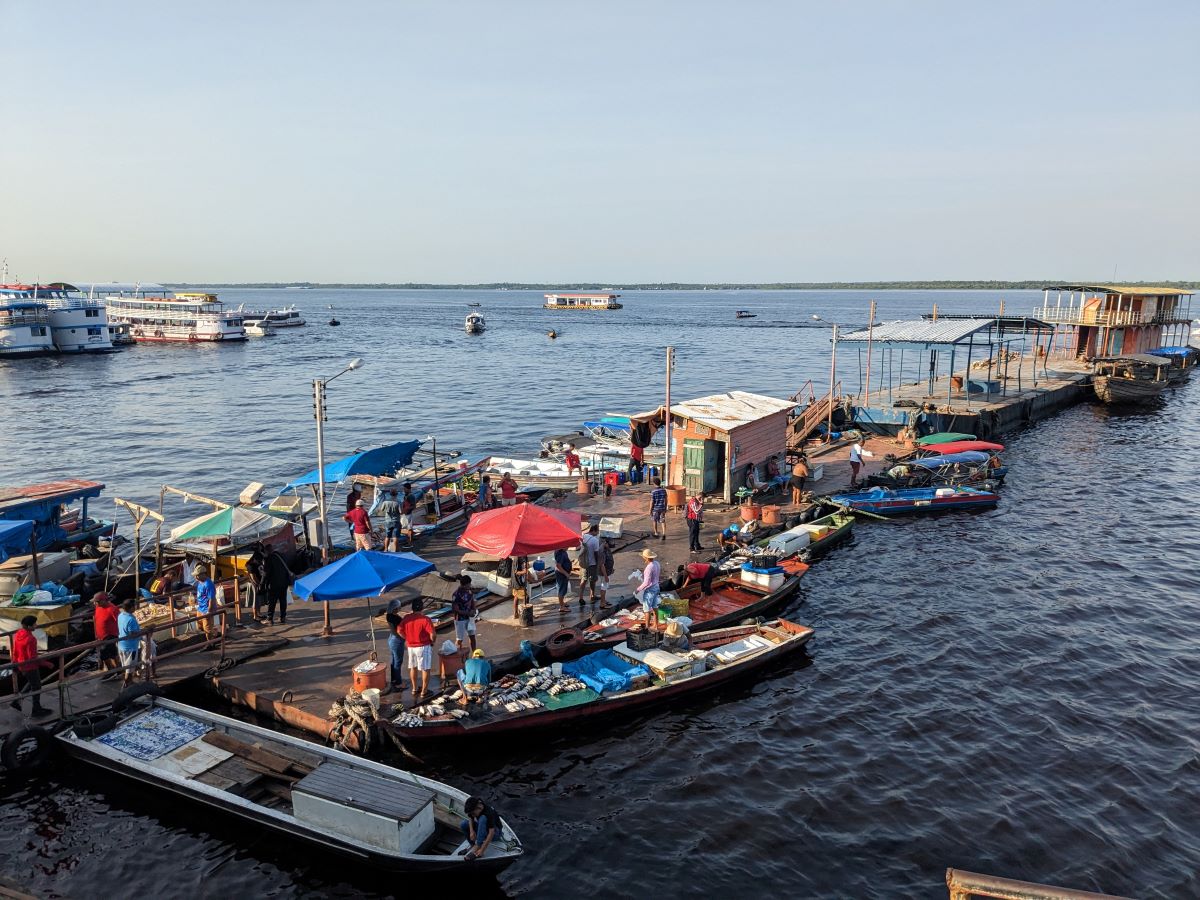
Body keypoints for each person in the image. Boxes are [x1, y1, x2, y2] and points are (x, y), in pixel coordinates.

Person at [9, 615, 51, 717]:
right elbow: (33, 658)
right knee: (37, 687)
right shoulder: (31, 639)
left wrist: (14, 662)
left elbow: (15, 650)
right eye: (34, 624)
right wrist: (47, 664)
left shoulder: (19, 634)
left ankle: (17, 701)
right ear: (29, 626)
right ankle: (36, 710)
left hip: (21, 664)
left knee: (32, 683)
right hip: (30, 667)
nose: (36, 625)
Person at [401, 598, 436, 702]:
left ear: (412, 608)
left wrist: (406, 638)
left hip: (411, 647)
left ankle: (414, 688)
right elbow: (432, 634)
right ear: (422, 608)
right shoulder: (425, 619)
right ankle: (424, 691)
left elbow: (399, 630)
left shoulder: (407, 618)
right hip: (423, 646)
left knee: (413, 667)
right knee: (425, 669)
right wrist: (432, 641)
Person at [459, 796, 502, 861]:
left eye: (473, 813)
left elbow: (491, 832)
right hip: (484, 828)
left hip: (496, 833)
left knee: (482, 818)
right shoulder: (475, 804)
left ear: (478, 808)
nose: (473, 815)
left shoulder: (488, 812)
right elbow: (471, 817)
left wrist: (482, 850)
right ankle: (472, 845)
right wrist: (471, 831)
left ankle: (478, 845)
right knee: (463, 824)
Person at [261, 546, 293, 626]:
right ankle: (283, 617)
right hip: (284, 582)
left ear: (266, 551)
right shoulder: (281, 556)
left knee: (272, 602)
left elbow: (265, 573)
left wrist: (262, 583)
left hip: (274, 584)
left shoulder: (269, 559)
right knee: (283, 600)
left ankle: (269, 619)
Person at [117, 599, 144, 687]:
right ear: (131, 607)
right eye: (134, 606)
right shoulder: (131, 620)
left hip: (121, 644)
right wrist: (145, 631)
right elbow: (132, 634)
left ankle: (129, 679)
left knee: (126, 665)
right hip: (130, 647)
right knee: (129, 666)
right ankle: (128, 683)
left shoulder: (121, 615)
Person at [92, 591, 121, 676]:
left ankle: (111, 672)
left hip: (110, 635)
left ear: (104, 600)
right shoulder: (98, 607)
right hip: (101, 636)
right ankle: (117, 670)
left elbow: (119, 621)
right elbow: (97, 620)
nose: (95, 603)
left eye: (97, 601)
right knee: (113, 653)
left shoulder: (113, 609)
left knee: (104, 654)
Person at [384, 598, 406, 694]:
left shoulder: (389, 616)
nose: (399, 609)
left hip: (391, 639)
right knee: (398, 661)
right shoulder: (396, 618)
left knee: (393, 660)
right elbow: (400, 631)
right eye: (398, 608)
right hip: (397, 640)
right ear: (394, 609)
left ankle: (393, 679)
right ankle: (398, 683)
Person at [452, 575, 478, 653]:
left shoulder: (469, 591)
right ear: (464, 584)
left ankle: (474, 653)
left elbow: (472, 601)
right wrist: (468, 613)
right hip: (460, 620)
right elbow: (456, 609)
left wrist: (474, 609)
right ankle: (456, 655)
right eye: (469, 584)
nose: (470, 585)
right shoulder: (456, 595)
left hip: (469, 618)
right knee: (459, 639)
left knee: (472, 636)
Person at [637, 549, 662, 630]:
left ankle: (647, 628)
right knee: (655, 607)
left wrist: (638, 589)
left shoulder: (649, 567)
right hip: (656, 587)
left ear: (646, 558)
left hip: (650, 590)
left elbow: (646, 582)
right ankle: (656, 625)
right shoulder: (657, 563)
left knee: (646, 609)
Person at [578, 524, 602, 607]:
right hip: (592, 563)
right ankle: (592, 596)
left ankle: (580, 597)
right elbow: (596, 553)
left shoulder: (583, 536)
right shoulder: (595, 540)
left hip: (584, 563)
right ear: (594, 531)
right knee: (593, 580)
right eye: (597, 531)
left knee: (583, 580)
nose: (598, 533)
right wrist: (598, 563)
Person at [194, 565, 216, 645]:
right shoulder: (200, 582)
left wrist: (209, 611)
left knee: (207, 628)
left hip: (206, 609)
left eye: (197, 575)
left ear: (203, 574)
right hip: (200, 608)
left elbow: (211, 599)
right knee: (200, 625)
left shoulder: (208, 584)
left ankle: (211, 643)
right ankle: (213, 634)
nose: (196, 577)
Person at [553, 544, 573, 615]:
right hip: (561, 574)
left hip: (563, 573)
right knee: (561, 589)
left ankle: (562, 603)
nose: (568, 547)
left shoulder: (562, 551)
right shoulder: (560, 553)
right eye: (567, 546)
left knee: (563, 589)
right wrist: (566, 573)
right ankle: (562, 607)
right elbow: (558, 566)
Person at [597, 538, 615, 610]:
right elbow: (602, 565)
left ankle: (603, 600)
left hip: (608, 571)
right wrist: (605, 576)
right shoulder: (602, 551)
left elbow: (609, 559)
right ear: (606, 543)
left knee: (605, 587)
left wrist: (611, 568)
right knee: (603, 587)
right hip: (604, 573)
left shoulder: (607, 548)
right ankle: (602, 603)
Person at [400, 482, 419, 547]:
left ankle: (410, 543)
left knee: (406, 528)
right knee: (408, 528)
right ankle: (409, 542)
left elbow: (414, 506)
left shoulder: (411, 496)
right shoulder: (406, 495)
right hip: (406, 514)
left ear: (408, 489)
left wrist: (406, 508)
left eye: (404, 489)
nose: (404, 490)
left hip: (408, 514)